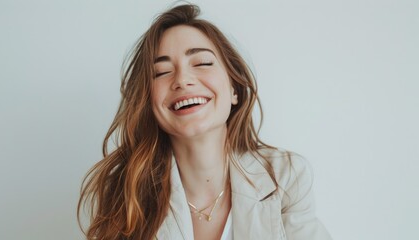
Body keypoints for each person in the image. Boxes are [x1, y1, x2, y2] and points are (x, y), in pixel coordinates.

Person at [78, 4, 332, 240]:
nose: (183, 79)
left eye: (201, 63)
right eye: (162, 72)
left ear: (234, 89)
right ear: (147, 101)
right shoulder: (124, 193)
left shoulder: (285, 177)